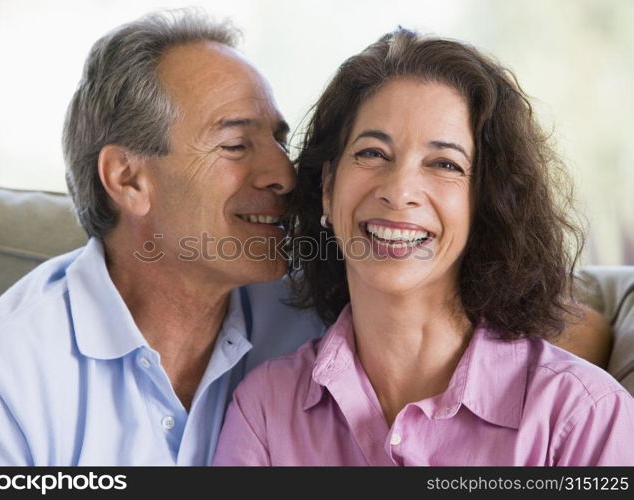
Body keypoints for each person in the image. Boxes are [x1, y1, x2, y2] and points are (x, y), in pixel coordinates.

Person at [0, 11, 613, 466]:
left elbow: (551, 335)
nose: (283, 174)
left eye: (280, 141)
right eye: (236, 144)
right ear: (128, 179)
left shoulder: (308, 295)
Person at [213, 27, 634, 466]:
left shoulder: (585, 415)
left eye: (444, 164)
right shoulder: (265, 406)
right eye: (373, 153)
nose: (399, 192)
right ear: (327, 186)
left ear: (483, 203)